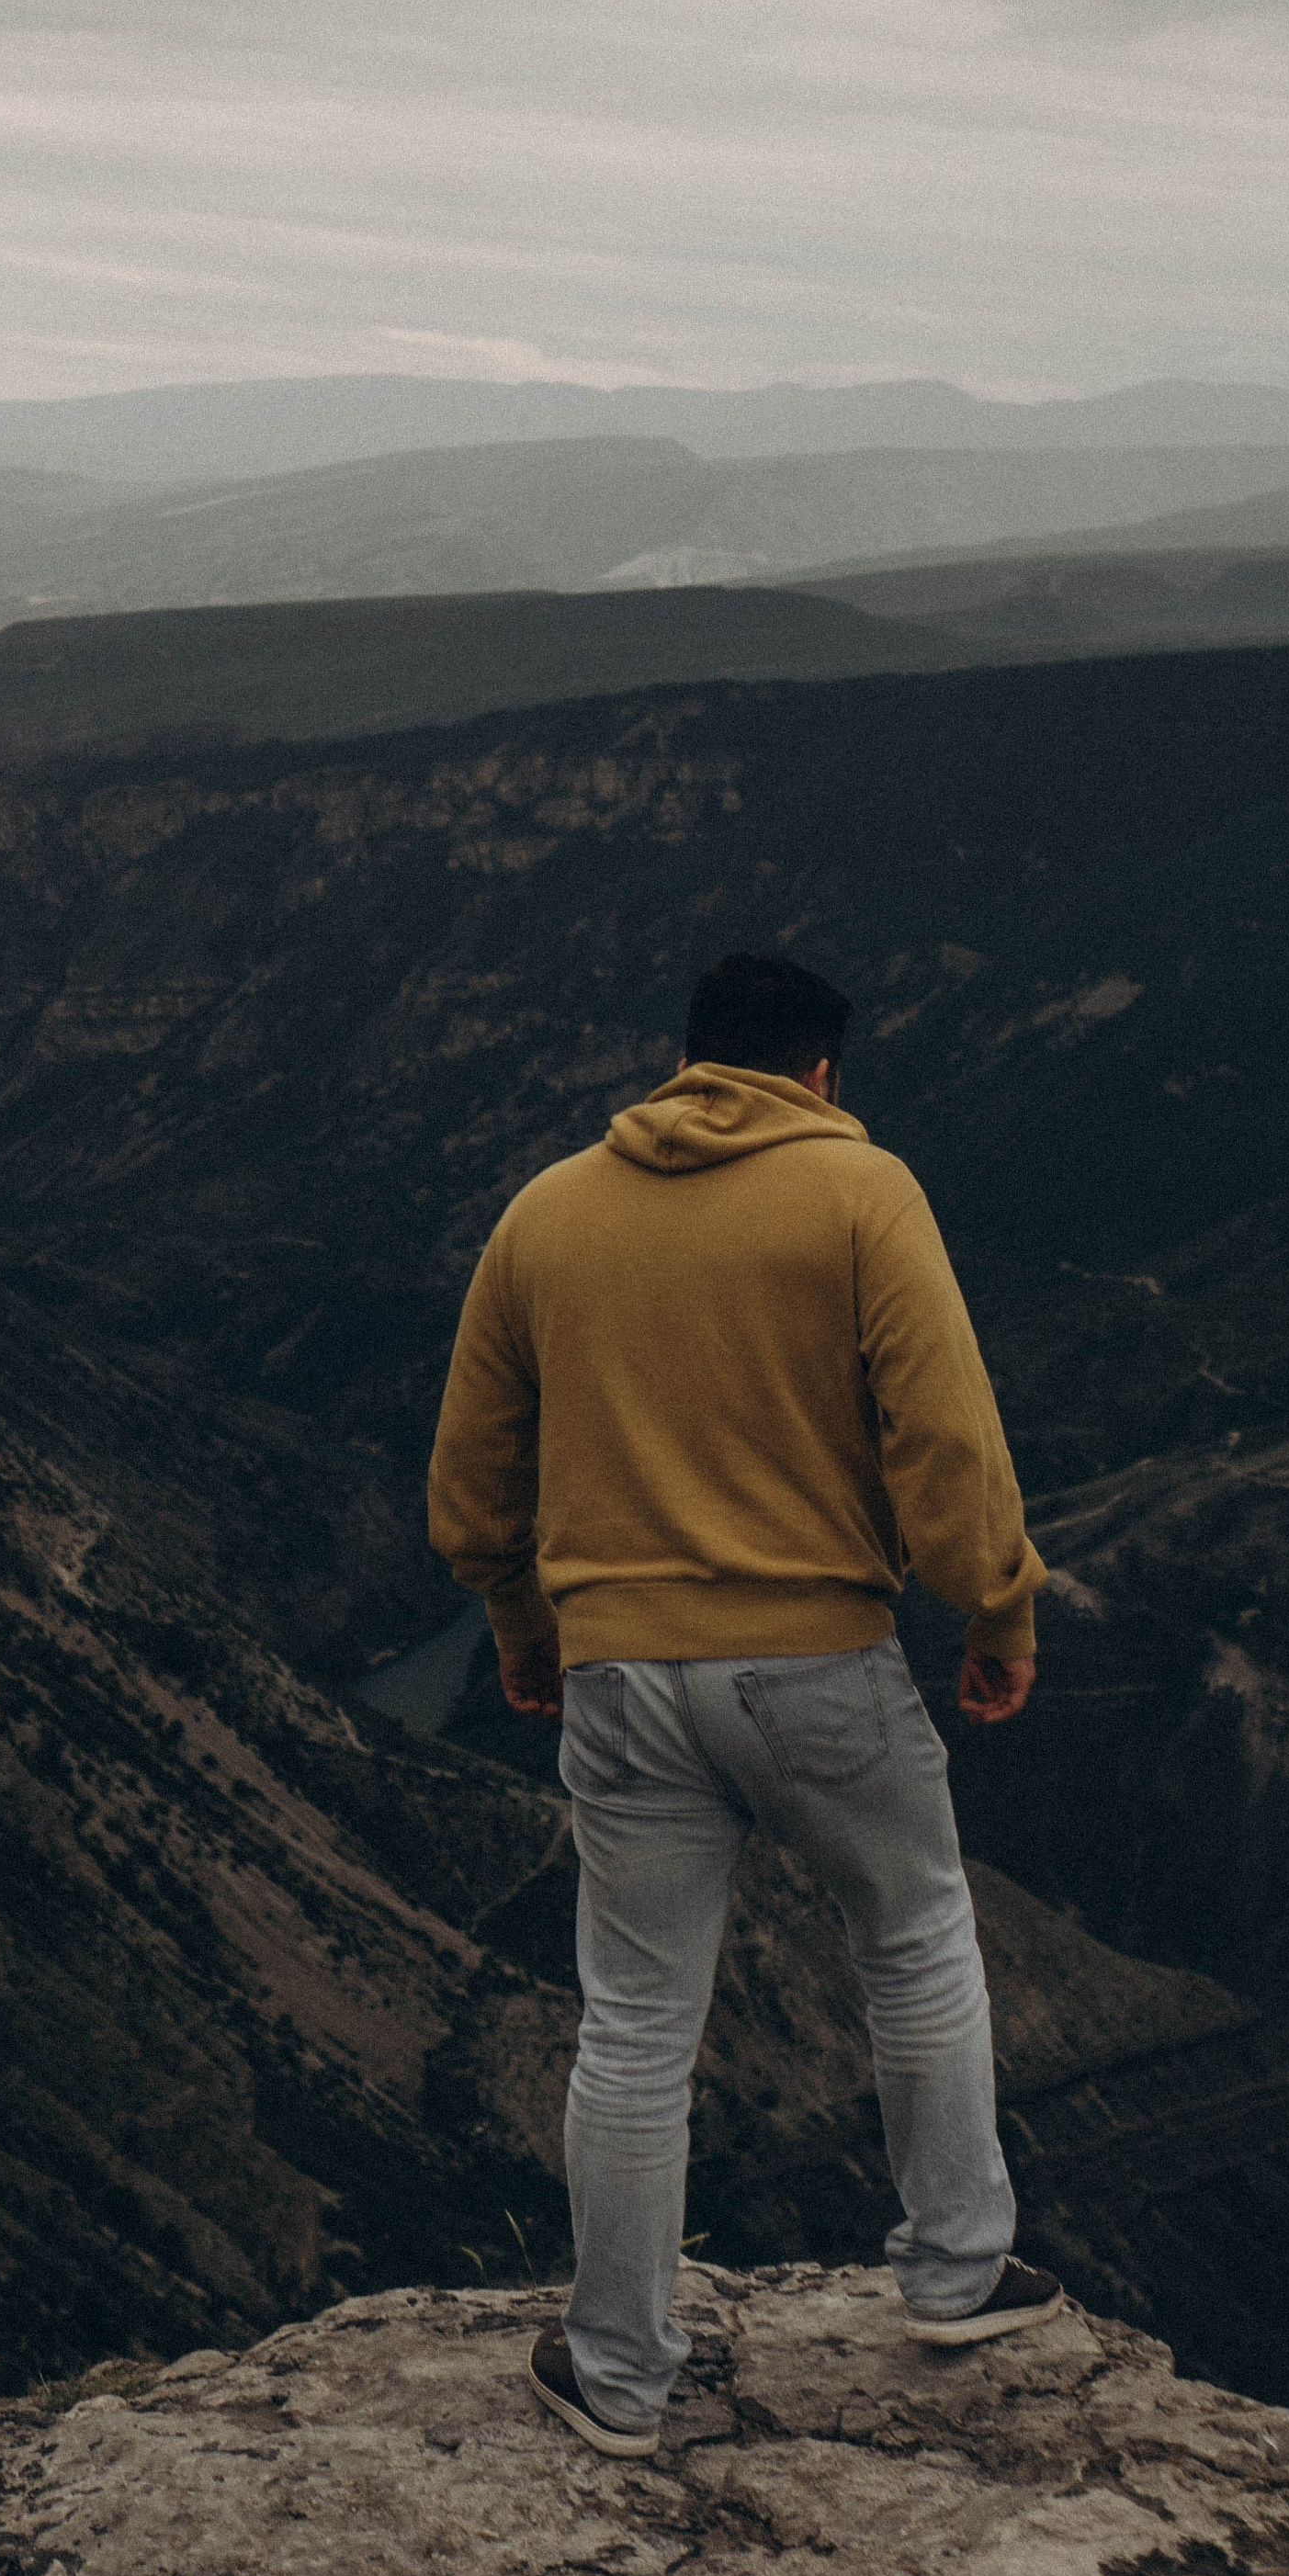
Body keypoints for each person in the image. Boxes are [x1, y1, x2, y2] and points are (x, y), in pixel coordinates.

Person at [426, 949, 1060, 2457]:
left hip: (618, 1676)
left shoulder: (546, 1213)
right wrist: (999, 1603)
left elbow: (468, 1491)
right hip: (817, 1662)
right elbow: (947, 1440)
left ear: (686, 1063)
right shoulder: (862, 1194)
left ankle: (621, 2376)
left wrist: (525, 1625)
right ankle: (956, 2273)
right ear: (820, 1074)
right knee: (913, 1941)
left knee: (637, 2024)